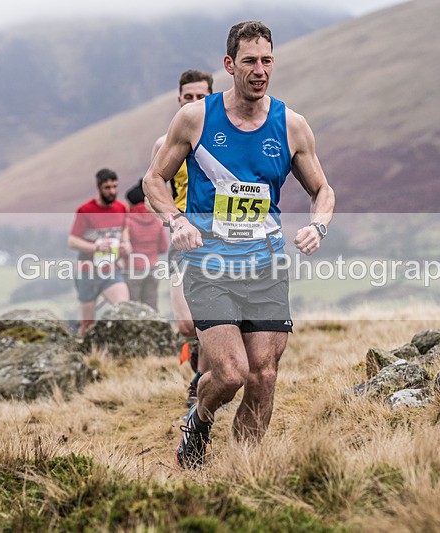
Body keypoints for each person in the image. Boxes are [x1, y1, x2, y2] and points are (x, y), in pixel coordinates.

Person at [143, 21, 335, 469]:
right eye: (249, 61)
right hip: (209, 266)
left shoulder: (291, 125)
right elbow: (154, 178)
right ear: (230, 65)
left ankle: (243, 474)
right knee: (230, 374)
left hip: (265, 268)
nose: (260, 70)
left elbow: (322, 191)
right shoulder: (195, 118)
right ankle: (200, 418)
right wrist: (175, 220)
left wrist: (318, 227)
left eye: (267, 60)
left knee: (264, 374)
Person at [150, 69, 214, 407]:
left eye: (200, 97)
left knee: (208, 317)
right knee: (186, 323)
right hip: (180, 237)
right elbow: (152, 189)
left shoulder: (224, 142)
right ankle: (199, 353)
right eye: (187, 97)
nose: (193, 103)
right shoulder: (165, 144)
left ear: (212, 97)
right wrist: (170, 220)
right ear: (178, 101)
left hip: (217, 238)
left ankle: (200, 385)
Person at [69, 168, 132, 336]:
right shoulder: (85, 210)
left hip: (111, 270)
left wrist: (126, 244)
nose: (112, 191)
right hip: (87, 272)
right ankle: (85, 357)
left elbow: (124, 228)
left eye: (114, 187)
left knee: (124, 312)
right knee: (88, 325)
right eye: (107, 187)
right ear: (98, 187)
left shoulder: (121, 208)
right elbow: (72, 241)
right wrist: (96, 246)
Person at [124, 180, 168, 311]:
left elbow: (123, 249)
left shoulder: (127, 221)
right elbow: (164, 247)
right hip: (152, 268)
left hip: (132, 269)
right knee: (151, 307)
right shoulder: (156, 220)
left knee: (132, 309)